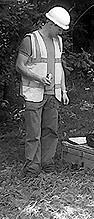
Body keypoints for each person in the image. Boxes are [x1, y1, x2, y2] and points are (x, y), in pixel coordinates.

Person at [16, 6, 71, 177]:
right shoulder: (30, 40)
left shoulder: (58, 41)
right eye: (60, 28)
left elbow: (58, 65)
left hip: (53, 94)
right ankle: (32, 168)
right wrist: (39, 78)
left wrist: (63, 89)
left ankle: (48, 164)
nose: (61, 32)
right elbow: (19, 65)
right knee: (34, 133)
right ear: (51, 23)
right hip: (34, 94)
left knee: (51, 130)